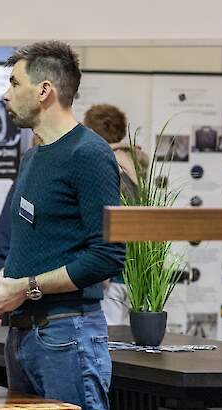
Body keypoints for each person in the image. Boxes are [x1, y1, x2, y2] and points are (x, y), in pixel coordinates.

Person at [0, 41, 125, 410]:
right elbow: (42, 246)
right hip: (23, 336)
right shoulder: (33, 158)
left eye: (14, 83)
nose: (5, 95)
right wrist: (2, 279)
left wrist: (25, 287)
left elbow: (107, 256)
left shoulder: (89, 154)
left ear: (44, 91)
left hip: (67, 336)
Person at [83, 104, 149, 326]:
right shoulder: (134, 164)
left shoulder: (107, 164)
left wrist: (101, 269)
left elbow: (107, 218)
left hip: (112, 273)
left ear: (93, 131)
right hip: (136, 272)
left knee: (110, 339)